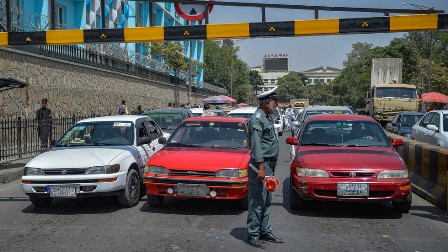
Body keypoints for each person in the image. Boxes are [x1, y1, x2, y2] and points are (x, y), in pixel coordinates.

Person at [246, 86, 283, 248]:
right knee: (257, 200)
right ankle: (253, 234)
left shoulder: (266, 117)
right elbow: (256, 145)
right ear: (267, 103)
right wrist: (261, 167)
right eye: (275, 102)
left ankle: (264, 231)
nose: (277, 105)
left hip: (268, 164)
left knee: (267, 199)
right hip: (261, 165)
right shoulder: (257, 119)